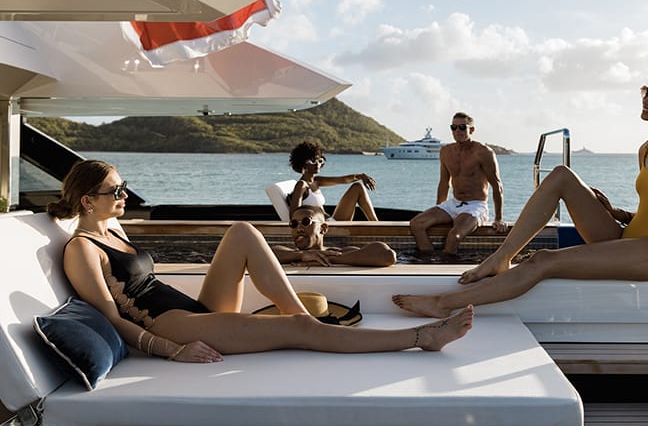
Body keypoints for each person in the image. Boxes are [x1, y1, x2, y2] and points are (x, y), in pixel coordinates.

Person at [393, 69, 648, 318]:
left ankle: (443, 305)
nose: (646, 99)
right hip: (629, 236)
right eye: (645, 91)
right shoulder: (646, 149)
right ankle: (502, 258)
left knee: (545, 260)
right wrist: (619, 212)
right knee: (560, 175)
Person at [46, 159, 474, 362]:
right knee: (298, 329)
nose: (124, 196)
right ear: (87, 200)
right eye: (115, 191)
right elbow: (109, 318)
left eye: (124, 187)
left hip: (192, 310)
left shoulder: (114, 230)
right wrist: (169, 350)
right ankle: (420, 338)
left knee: (243, 231)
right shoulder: (82, 249)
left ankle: (305, 319)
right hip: (166, 324)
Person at [409, 112, 508, 255]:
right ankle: (428, 261)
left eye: (462, 127)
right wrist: (439, 207)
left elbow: (497, 185)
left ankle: (447, 267)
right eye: (453, 127)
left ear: (471, 130)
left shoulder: (483, 152)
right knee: (417, 224)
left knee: (454, 236)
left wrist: (498, 218)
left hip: (475, 206)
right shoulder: (445, 151)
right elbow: (444, 183)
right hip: (453, 203)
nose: (457, 131)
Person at [272, 204, 396, 267]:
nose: (299, 228)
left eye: (306, 222)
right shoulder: (291, 254)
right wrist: (302, 255)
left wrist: (327, 259)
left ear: (323, 228)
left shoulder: (341, 252)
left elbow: (387, 256)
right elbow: (259, 254)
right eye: (293, 224)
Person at [287, 141, 379, 221]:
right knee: (358, 187)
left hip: (330, 221)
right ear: (303, 164)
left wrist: (361, 176)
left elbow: (342, 180)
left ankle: (377, 224)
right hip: (322, 227)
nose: (317, 164)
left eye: (320, 161)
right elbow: (294, 215)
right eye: (312, 161)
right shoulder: (301, 185)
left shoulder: (316, 181)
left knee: (357, 187)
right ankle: (379, 227)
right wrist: (313, 219)